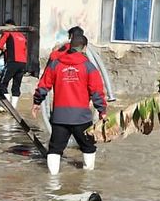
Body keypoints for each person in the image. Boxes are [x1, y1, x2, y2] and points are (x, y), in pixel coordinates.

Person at [31, 34, 107, 175]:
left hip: (60, 117)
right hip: (82, 117)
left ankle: (52, 182)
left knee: (55, 149)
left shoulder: (55, 64)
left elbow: (43, 86)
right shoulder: (89, 67)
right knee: (88, 147)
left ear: (70, 46)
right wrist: (102, 111)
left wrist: (36, 102)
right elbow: (97, 92)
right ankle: (88, 179)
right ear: (84, 48)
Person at [0, 19, 28, 109]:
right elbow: (25, 50)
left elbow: (0, 45)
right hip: (23, 63)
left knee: (2, 84)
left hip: (13, 62)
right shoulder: (22, 35)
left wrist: (4, 50)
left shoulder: (8, 32)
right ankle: (13, 107)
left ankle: (6, 106)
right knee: (16, 86)